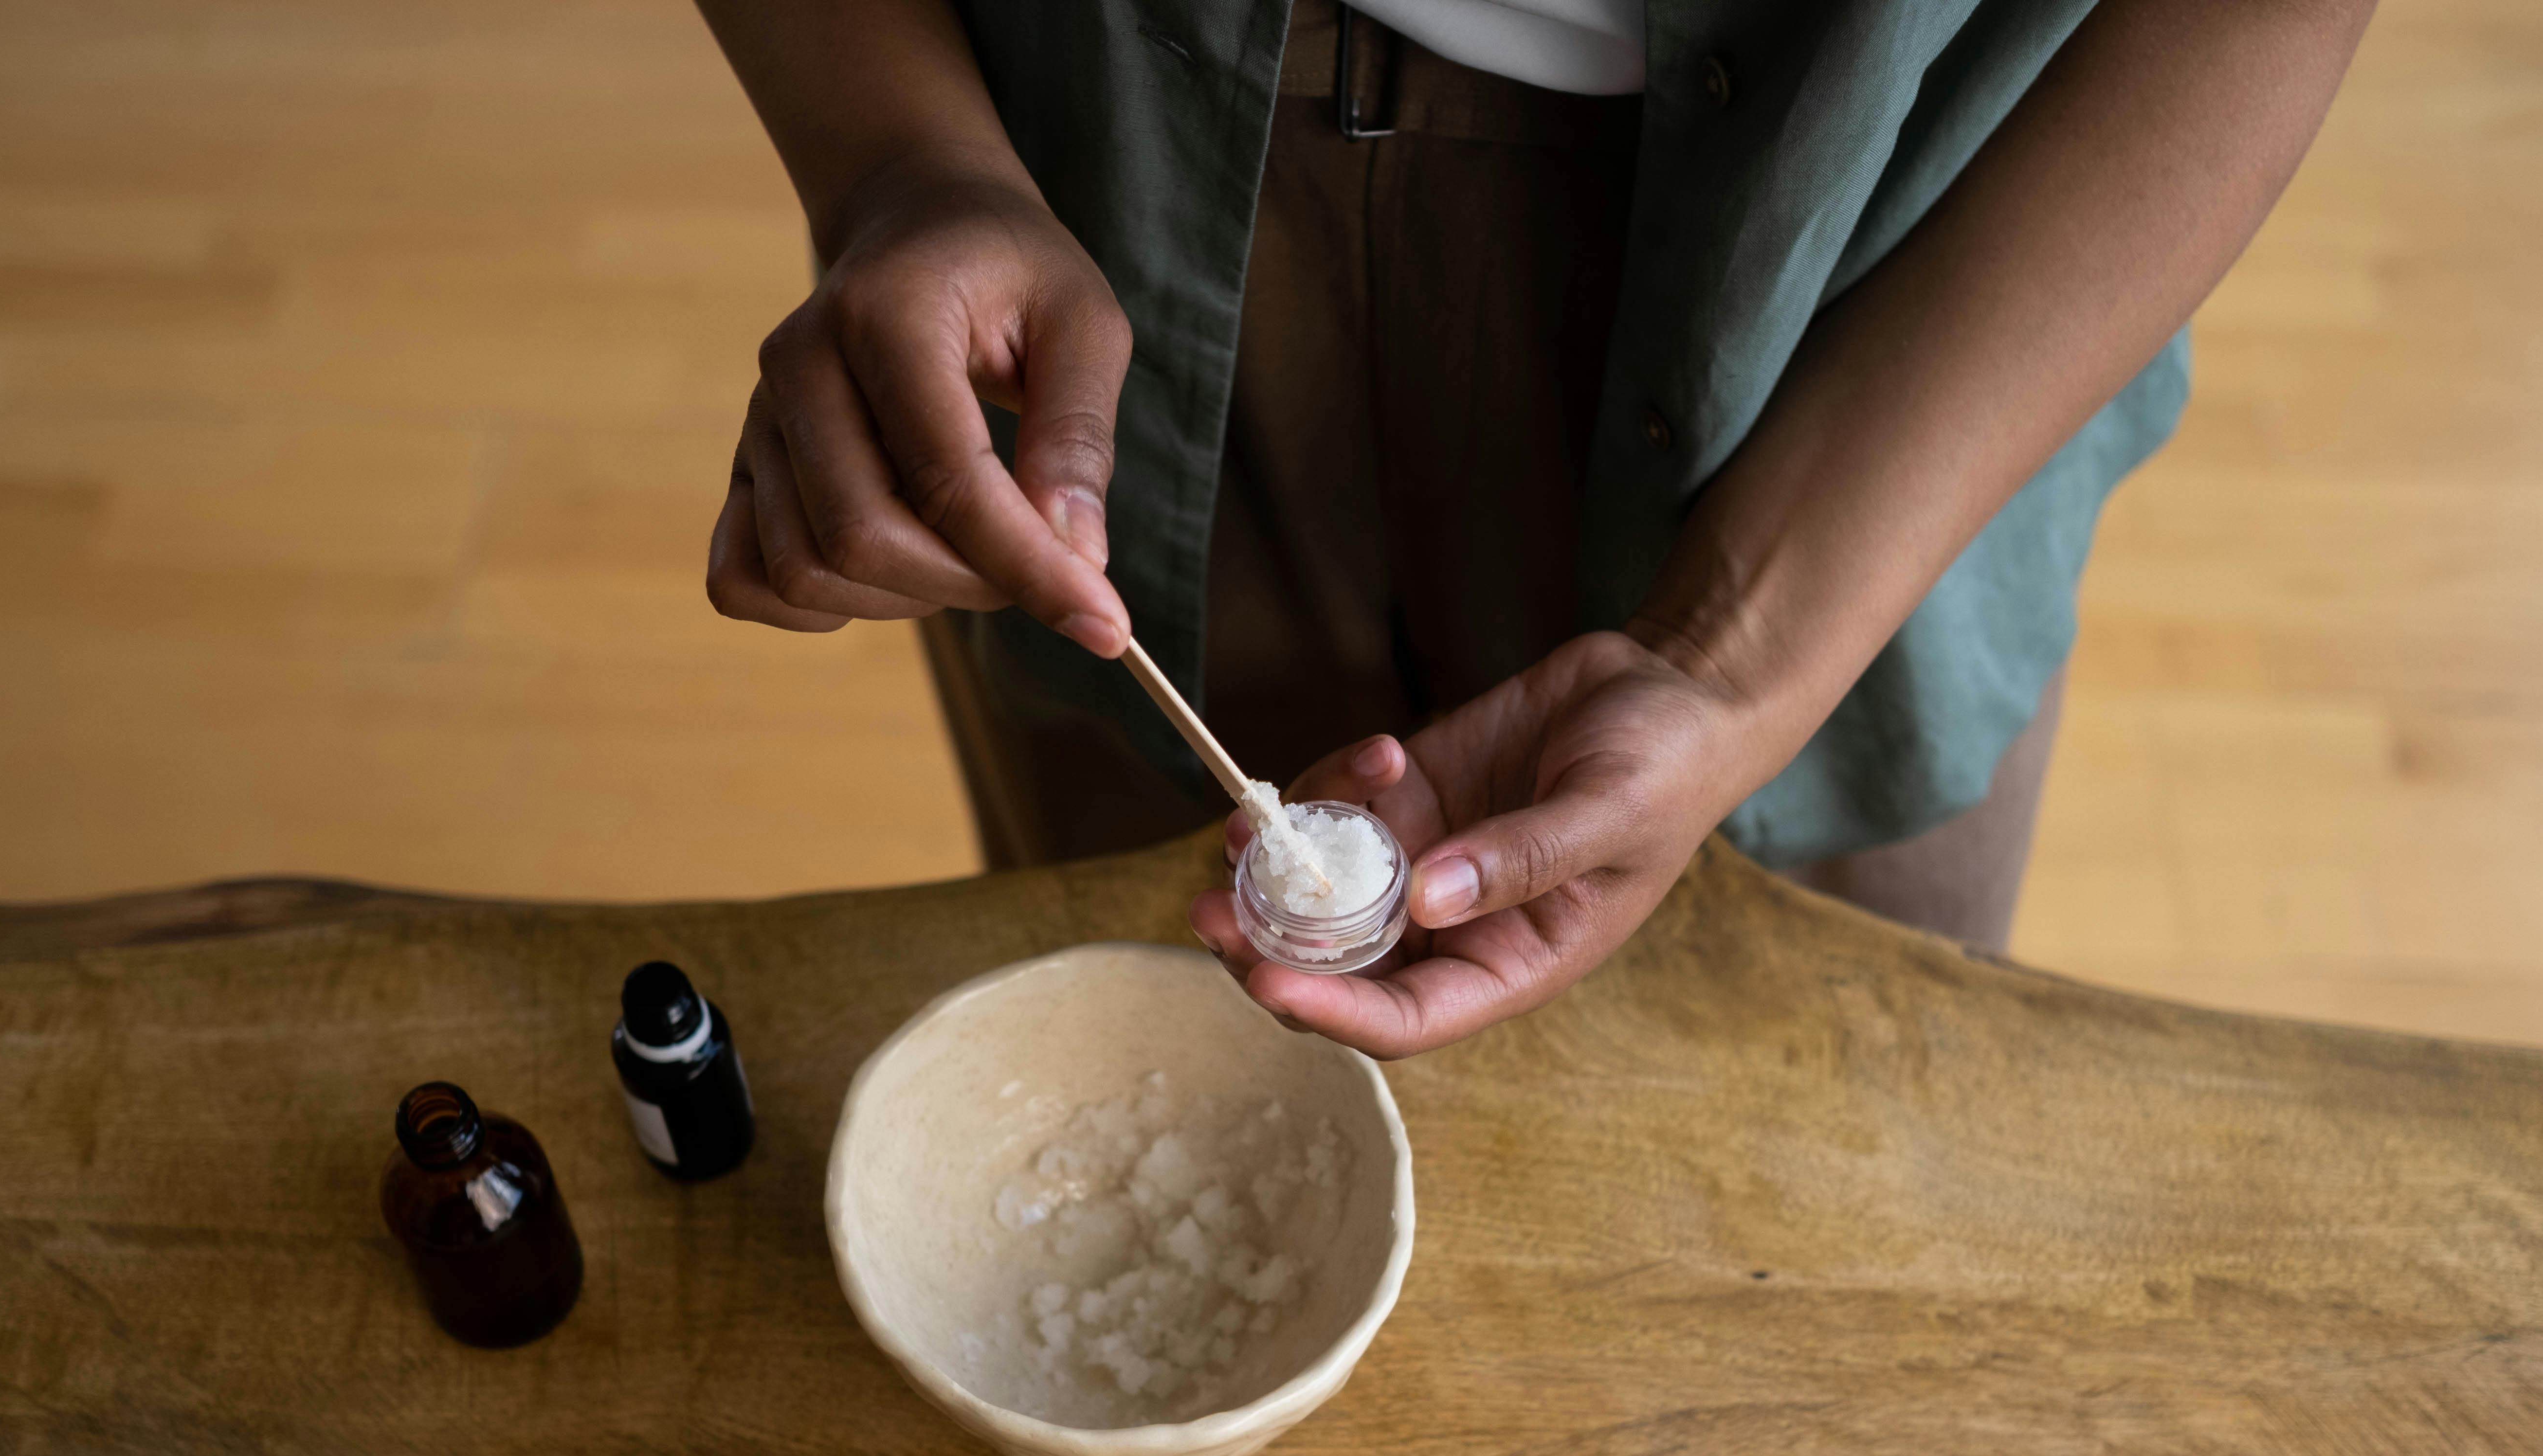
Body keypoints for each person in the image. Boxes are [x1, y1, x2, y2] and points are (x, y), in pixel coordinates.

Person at [696, 0, 2372, 1057]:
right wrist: (901, 159)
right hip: (1115, 180)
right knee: (1147, 1009)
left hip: (1899, 275)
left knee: (1851, 1042)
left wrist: (1740, 660)